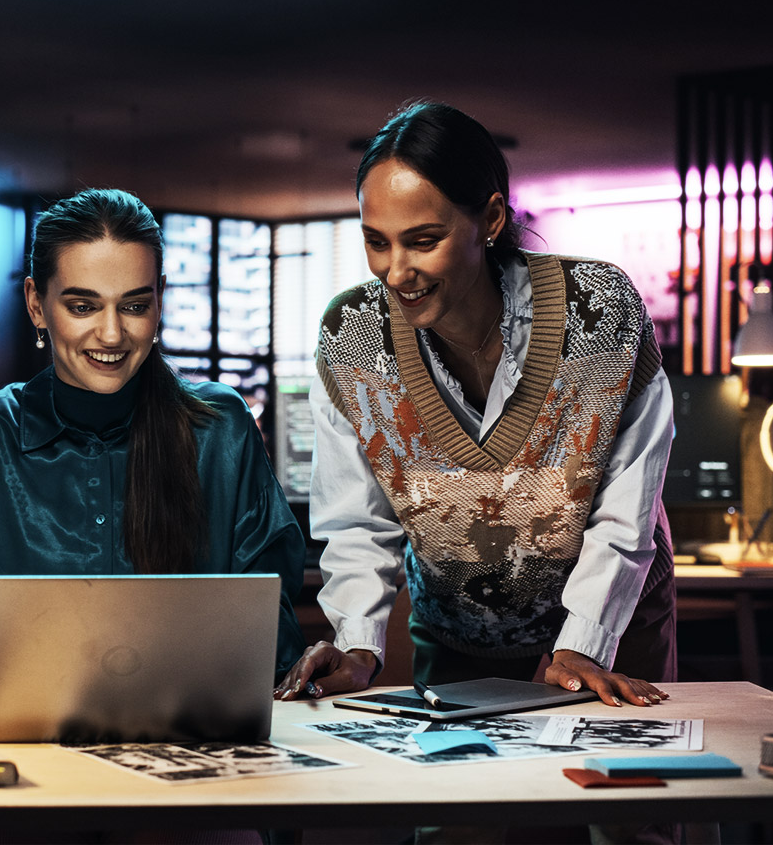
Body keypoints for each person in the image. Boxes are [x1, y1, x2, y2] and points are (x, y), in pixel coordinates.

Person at [276, 101, 677, 711]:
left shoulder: (600, 314)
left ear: (489, 218)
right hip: (456, 630)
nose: (396, 270)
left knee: (614, 795)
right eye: (376, 242)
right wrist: (356, 643)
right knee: (459, 789)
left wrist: (585, 640)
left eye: (423, 240)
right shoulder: (352, 337)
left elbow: (627, 510)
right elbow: (357, 521)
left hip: (612, 623)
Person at [0, 188, 305, 696]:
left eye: (134, 305)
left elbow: (271, 630)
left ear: (160, 301)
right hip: (30, 750)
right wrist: (84, 660)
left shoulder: (221, 427)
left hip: (192, 744)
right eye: (83, 305)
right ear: (37, 304)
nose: (111, 334)